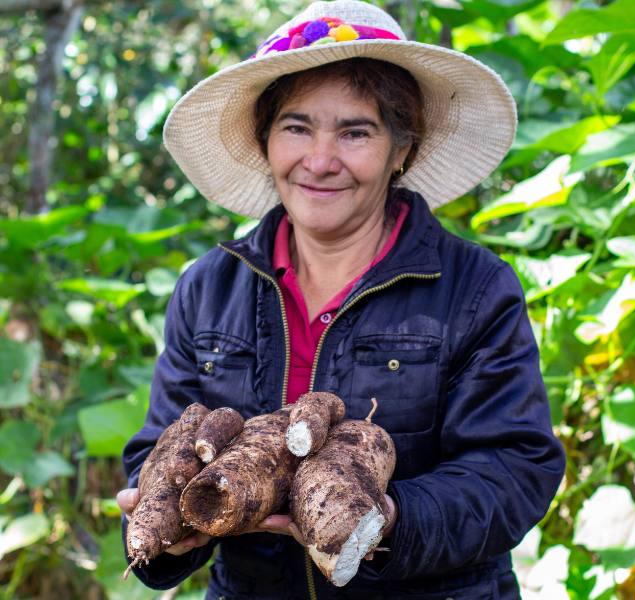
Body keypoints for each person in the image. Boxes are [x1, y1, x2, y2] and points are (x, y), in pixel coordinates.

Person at [117, 1, 566, 598]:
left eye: (356, 132)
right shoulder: (209, 287)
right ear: (266, 140)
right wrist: (167, 522)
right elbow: (161, 442)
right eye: (296, 127)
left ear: (401, 149)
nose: (320, 161)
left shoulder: (474, 287)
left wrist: (380, 520)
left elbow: (513, 468)